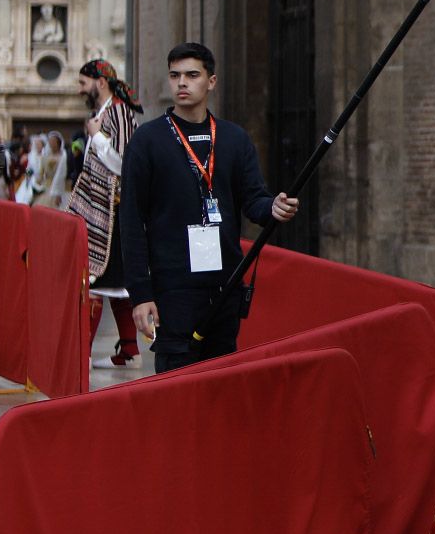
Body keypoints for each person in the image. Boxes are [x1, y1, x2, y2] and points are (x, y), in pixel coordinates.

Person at [119, 43, 299, 373]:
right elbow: (131, 221)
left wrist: (274, 206)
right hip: (173, 289)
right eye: (175, 76)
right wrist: (140, 294)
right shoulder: (147, 141)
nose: (182, 83)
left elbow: (254, 201)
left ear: (211, 82)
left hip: (224, 286)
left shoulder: (234, 139)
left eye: (192, 75)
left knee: (220, 385)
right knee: (178, 387)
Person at [71, 59, 145, 368]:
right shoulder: (101, 114)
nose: (80, 89)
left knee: (96, 280)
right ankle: (130, 349)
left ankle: (82, 353)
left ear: (100, 82)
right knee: (115, 283)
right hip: (99, 210)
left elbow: (124, 163)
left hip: (111, 214)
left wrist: (97, 137)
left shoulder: (118, 112)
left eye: (83, 82)